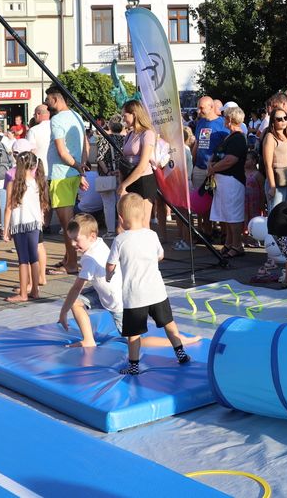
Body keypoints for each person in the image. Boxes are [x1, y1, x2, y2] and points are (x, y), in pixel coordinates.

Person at [105, 193, 192, 375]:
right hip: (157, 291)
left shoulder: (120, 240)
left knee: (134, 334)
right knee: (169, 324)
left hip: (134, 296)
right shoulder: (152, 235)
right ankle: (181, 353)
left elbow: (111, 264)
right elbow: (160, 255)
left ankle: (133, 366)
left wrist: (108, 275)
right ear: (144, 215)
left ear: (121, 218)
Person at [58, 213, 122, 347]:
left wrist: (63, 312)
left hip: (116, 302)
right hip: (110, 291)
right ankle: (88, 340)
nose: (72, 244)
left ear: (92, 236)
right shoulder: (98, 242)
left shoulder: (89, 258)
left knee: (135, 341)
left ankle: (169, 341)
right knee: (76, 302)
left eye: (76, 239)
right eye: (71, 239)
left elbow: (77, 287)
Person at [46, 86, 89, 274]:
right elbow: (85, 145)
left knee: (66, 225)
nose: (46, 103)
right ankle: (67, 258)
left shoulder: (56, 119)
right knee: (69, 221)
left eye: (48, 99)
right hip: (71, 174)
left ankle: (72, 263)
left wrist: (78, 167)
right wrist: (81, 168)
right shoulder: (76, 116)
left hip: (61, 175)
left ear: (56, 99)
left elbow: (62, 152)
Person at [2, 150, 48, 302]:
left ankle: (23, 293)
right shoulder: (38, 182)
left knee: (23, 259)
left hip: (19, 224)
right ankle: (35, 290)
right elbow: (41, 204)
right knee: (34, 258)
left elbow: (8, 208)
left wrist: (6, 229)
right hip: (34, 223)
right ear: (34, 166)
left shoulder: (13, 184)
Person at [208, 106, 249, 259]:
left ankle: (237, 245)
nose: (223, 120)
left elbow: (230, 160)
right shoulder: (230, 136)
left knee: (233, 214)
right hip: (224, 180)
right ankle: (229, 243)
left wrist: (213, 168)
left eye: (225, 117)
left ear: (230, 119)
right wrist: (212, 164)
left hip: (232, 180)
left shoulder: (238, 138)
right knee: (226, 213)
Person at [119, 100, 158, 234]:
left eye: (125, 115)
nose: (123, 119)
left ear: (134, 114)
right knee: (127, 222)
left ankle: (148, 248)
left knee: (143, 223)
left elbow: (142, 165)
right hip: (129, 179)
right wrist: (122, 181)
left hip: (143, 180)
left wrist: (123, 185)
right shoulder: (130, 134)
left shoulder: (147, 133)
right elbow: (124, 158)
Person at [262, 105, 287, 211]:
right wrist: (272, 186)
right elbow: (268, 164)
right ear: (273, 122)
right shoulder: (270, 137)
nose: (283, 121)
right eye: (279, 119)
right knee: (277, 213)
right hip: (277, 180)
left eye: (285, 118)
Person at [191, 95, 227, 195]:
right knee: (199, 200)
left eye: (201, 108)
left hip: (216, 171)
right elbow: (197, 144)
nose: (198, 111)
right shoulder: (200, 122)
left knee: (214, 200)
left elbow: (227, 147)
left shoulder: (223, 124)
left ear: (211, 107)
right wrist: (192, 165)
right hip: (199, 170)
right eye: (198, 108)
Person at [27, 104, 52, 179]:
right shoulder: (56, 127)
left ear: (38, 114)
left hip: (40, 170)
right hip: (56, 171)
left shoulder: (33, 130)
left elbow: (31, 152)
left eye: (34, 115)